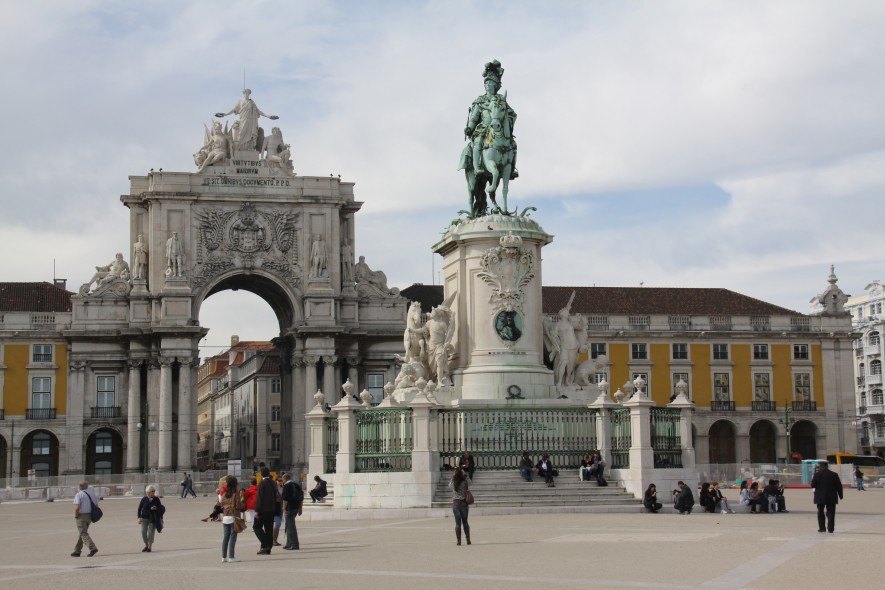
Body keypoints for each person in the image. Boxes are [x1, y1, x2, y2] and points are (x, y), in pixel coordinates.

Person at [810, 461, 843, 533]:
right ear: (827, 466)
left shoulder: (817, 474)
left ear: (820, 467)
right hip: (832, 496)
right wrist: (841, 495)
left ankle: (822, 528)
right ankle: (831, 528)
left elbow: (812, 485)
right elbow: (839, 486)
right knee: (831, 512)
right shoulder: (834, 474)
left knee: (820, 512)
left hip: (820, 496)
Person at [253, 467, 278, 554]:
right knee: (269, 529)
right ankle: (268, 548)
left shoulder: (262, 483)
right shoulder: (273, 482)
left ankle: (265, 544)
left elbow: (260, 498)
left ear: (261, 474)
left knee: (256, 527)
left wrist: (257, 510)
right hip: (271, 509)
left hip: (263, 509)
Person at [72, 480, 100, 557]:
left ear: (79, 487)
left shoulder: (79, 494)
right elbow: (97, 506)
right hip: (90, 516)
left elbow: (77, 507)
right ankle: (77, 551)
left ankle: (92, 548)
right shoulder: (92, 494)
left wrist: (76, 515)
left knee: (83, 533)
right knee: (82, 533)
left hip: (82, 516)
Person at [219, 476, 242, 563]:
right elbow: (238, 505)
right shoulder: (236, 493)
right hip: (233, 516)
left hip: (225, 517)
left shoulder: (224, 494)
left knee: (226, 537)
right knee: (233, 537)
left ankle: (223, 557)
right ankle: (231, 556)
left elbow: (221, 504)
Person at [137, 485, 165, 552]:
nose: (153, 492)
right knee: (143, 531)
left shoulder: (156, 499)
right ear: (148, 492)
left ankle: (149, 547)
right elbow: (139, 509)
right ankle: (146, 545)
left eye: (154, 491)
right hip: (144, 518)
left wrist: (156, 508)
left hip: (153, 518)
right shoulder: (144, 499)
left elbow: (160, 508)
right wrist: (139, 518)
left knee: (151, 533)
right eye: (152, 491)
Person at [448, 467, 472, 546]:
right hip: (464, 504)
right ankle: (468, 539)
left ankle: (459, 541)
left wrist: (453, 476)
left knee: (457, 524)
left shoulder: (453, 483)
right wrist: (465, 475)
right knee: (465, 522)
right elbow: (470, 483)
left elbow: (449, 485)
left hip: (456, 504)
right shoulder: (464, 482)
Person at [281, 473, 304, 550]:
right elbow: (301, 498)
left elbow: (285, 499)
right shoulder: (297, 485)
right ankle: (289, 543)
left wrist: (284, 509)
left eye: (283, 480)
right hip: (296, 507)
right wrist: (300, 508)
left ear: (285, 479)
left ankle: (294, 544)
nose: (282, 481)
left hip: (289, 507)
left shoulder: (286, 486)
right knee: (289, 525)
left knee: (291, 526)